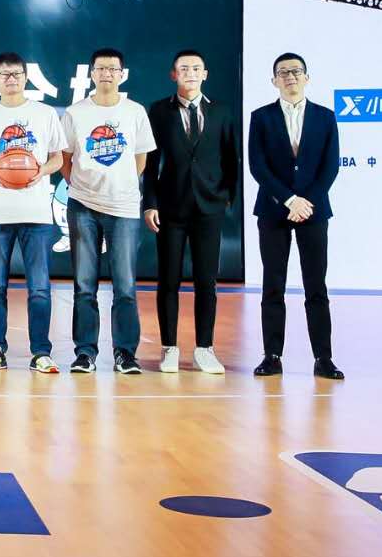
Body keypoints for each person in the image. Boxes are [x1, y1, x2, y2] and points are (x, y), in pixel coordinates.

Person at [248, 52, 344, 380]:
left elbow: (330, 166)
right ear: (274, 80)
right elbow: (258, 166)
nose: (290, 77)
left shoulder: (325, 117)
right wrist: (289, 200)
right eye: (283, 72)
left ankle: (323, 358)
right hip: (273, 210)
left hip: (313, 212)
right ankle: (272, 356)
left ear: (307, 77)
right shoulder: (261, 117)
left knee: (316, 286)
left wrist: (306, 202)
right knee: (273, 285)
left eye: (296, 71)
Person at [142, 49, 239, 375]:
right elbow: (151, 163)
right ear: (174, 75)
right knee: (168, 279)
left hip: (209, 208)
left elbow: (231, 157)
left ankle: (204, 348)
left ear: (205, 74)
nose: (191, 74)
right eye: (184, 69)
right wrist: (150, 203)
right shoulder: (159, 111)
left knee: (206, 281)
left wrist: (227, 195)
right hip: (170, 207)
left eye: (196, 68)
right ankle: (169, 347)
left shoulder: (221, 111)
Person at [61, 47, 155, 376]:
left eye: (113, 69)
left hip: (124, 207)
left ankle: (125, 354)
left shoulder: (134, 112)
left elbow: (140, 158)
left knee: (125, 285)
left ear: (121, 74)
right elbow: (65, 158)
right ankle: (85, 353)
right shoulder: (75, 113)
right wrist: (83, 187)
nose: (106, 74)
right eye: (101, 68)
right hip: (82, 206)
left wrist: (120, 185)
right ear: (91, 73)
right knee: (84, 284)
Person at [0, 51, 67, 375]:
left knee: (39, 288)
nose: (11, 79)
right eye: (5, 74)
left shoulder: (44, 114)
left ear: (26, 78)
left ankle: (41, 352)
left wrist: (41, 170)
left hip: (37, 213)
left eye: (16, 74)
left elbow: (58, 158)